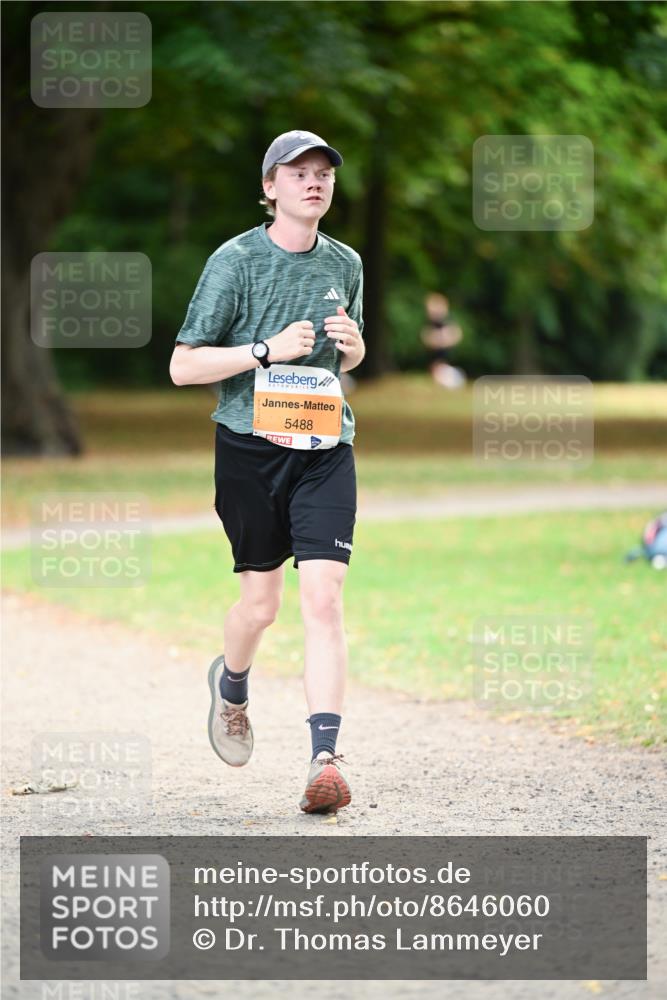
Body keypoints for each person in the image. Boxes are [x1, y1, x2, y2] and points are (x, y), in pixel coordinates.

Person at [169, 130, 365, 814]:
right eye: (298, 172)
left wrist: (356, 345)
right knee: (261, 606)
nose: (314, 182)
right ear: (270, 187)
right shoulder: (236, 261)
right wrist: (264, 350)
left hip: (324, 449)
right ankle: (231, 685)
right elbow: (183, 366)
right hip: (250, 450)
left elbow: (350, 356)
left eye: (323, 174)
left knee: (324, 597)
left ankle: (324, 758)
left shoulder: (345, 262)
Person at [421, 292, 466, 388]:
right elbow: (427, 340)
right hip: (435, 364)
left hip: (445, 364)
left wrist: (443, 339)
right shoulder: (429, 326)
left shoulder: (448, 323)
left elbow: (455, 336)